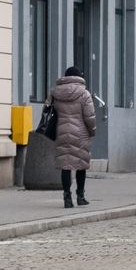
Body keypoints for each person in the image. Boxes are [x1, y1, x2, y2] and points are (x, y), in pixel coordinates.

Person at [47, 66, 96, 209]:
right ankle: (80, 196)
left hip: (61, 131)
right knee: (81, 164)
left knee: (65, 165)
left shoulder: (55, 92)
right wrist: (92, 131)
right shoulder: (84, 94)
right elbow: (90, 116)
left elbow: (48, 109)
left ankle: (67, 197)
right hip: (80, 133)